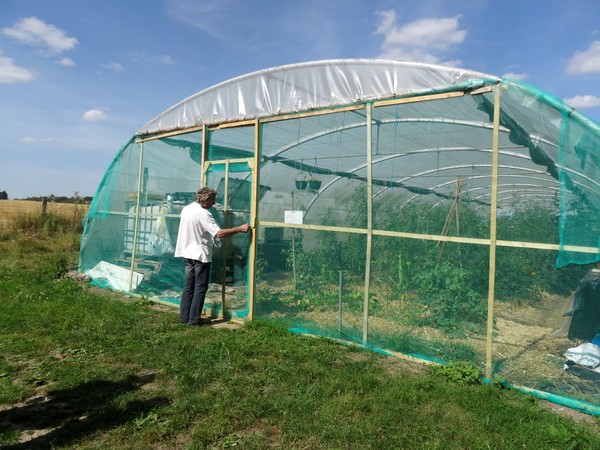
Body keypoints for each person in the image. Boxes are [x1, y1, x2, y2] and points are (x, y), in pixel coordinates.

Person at [174, 187, 251, 326]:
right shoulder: (203, 214)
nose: (213, 204)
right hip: (200, 255)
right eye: (213, 200)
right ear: (206, 199)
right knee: (200, 288)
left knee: (189, 287)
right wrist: (240, 229)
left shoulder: (187, 209)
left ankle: (184, 318)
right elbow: (219, 233)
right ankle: (194, 321)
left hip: (187, 253)